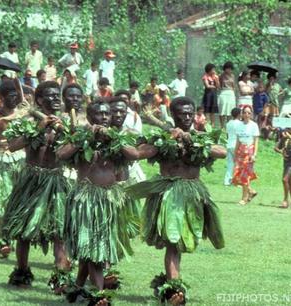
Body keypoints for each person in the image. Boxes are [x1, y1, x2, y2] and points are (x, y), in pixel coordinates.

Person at [126, 96, 226, 305]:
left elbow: (222, 152)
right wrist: (165, 140)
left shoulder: (201, 136)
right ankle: (174, 289)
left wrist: (190, 139)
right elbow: (138, 153)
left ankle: (169, 283)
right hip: (169, 193)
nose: (188, 117)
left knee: (179, 244)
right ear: (173, 115)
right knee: (172, 243)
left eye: (191, 113)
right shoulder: (162, 137)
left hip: (193, 193)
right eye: (183, 113)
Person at [57, 100, 139, 304]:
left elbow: (134, 155)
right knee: (92, 249)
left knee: (93, 249)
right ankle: (100, 295)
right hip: (86, 200)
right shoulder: (81, 137)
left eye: (106, 114)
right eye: (99, 114)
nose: (103, 117)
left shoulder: (118, 138)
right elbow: (61, 154)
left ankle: (77, 288)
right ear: (90, 116)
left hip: (109, 200)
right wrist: (85, 136)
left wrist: (113, 137)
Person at [2, 81, 71, 287]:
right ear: (39, 100)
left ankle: (61, 277)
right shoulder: (28, 121)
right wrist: (38, 129)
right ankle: (22, 271)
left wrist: (65, 130)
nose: (55, 98)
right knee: (23, 231)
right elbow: (12, 146)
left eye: (57, 95)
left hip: (57, 180)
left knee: (59, 230)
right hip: (32, 180)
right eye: (50, 95)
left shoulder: (67, 122)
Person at [0, 79, 27, 257]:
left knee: (19, 198)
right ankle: (4, 238)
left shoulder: (22, 112)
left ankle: (16, 234)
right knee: (2, 199)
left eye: (16, 95)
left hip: (20, 157)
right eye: (10, 96)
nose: (14, 99)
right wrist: (9, 117)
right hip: (1, 158)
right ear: (2, 98)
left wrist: (20, 113)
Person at [232, 106, 259, 205]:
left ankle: (244, 198)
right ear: (242, 114)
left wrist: (254, 154)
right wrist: (235, 153)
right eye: (245, 113)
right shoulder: (239, 126)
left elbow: (256, 141)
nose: (247, 115)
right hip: (240, 152)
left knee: (245, 176)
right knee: (236, 176)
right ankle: (251, 191)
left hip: (249, 152)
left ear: (251, 114)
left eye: (249, 113)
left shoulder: (254, 125)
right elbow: (238, 141)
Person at [274, 126, 291, 209]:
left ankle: (285, 200)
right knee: (290, 181)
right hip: (286, 161)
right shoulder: (284, 138)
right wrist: (281, 151)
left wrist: (289, 136)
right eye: (286, 129)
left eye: (289, 129)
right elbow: (276, 148)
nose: (287, 130)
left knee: (285, 179)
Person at [224, 108, 242, 186]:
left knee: (230, 163)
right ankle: (236, 181)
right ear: (238, 114)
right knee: (238, 164)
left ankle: (227, 181)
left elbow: (227, 135)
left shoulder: (228, 123)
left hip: (229, 144)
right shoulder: (240, 124)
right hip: (236, 145)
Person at [218, 61, 236, 127]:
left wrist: (233, 93)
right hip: (223, 92)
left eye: (230, 68)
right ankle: (222, 126)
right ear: (225, 68)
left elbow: (234, 86)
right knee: (222, 109)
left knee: (230, 110)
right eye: (227, 68)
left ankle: (228, 126)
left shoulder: (232, 76)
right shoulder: (221, 76)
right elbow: (218, 85)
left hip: (231, 93)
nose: (229, 70)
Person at [201, 63, 220, 128]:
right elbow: (207, 86)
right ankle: (207, 125)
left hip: (214, 95)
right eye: (213, 69)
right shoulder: (205, 77)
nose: (214, 71)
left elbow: (218, 86)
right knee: (207, 110)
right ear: (209, 70)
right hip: (208, 95)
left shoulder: (215, 77)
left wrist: (217, 79)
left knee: (213, 111)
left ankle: (213, 125)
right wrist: (214, 86)